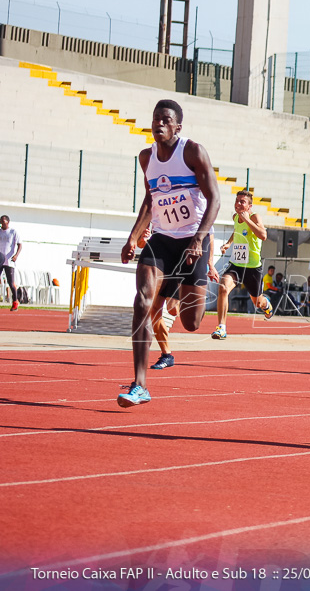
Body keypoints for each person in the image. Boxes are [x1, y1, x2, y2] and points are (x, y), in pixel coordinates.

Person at [118, 99, 220, 408]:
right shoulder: (146, 157)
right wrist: (133, 237)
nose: (159, 123)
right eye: (155, 118)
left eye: (166, 119)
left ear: (177, 126)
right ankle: (140, 384)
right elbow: (150, 199)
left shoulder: (192, 152)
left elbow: (215, 198)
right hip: (162, 240)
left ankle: (190, 293)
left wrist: (199, 240)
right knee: (142, 301)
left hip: (193, 243)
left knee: (191, 322)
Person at [211, 190, 273, 340]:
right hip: (236, 264)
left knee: (257, 303)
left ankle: (267, 305)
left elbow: (263, 236)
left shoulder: (254, 217)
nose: (238, 204)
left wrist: (247, 221)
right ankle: (222, 328)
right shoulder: (235, 217)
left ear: (249, 206)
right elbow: (237, 231)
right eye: (237, 200)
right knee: (223, 287)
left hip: (252, 268)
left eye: (242, 201)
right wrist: (228, 243)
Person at [0, 215, 22, 311]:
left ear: (8, 222)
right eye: (1, 222)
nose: (2, 224)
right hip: (0, 259)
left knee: (11, 283)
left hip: (9, 261)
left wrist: (16, 255)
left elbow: (20, 244)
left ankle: (15, 301)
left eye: (4, 222)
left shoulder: (13, 232)